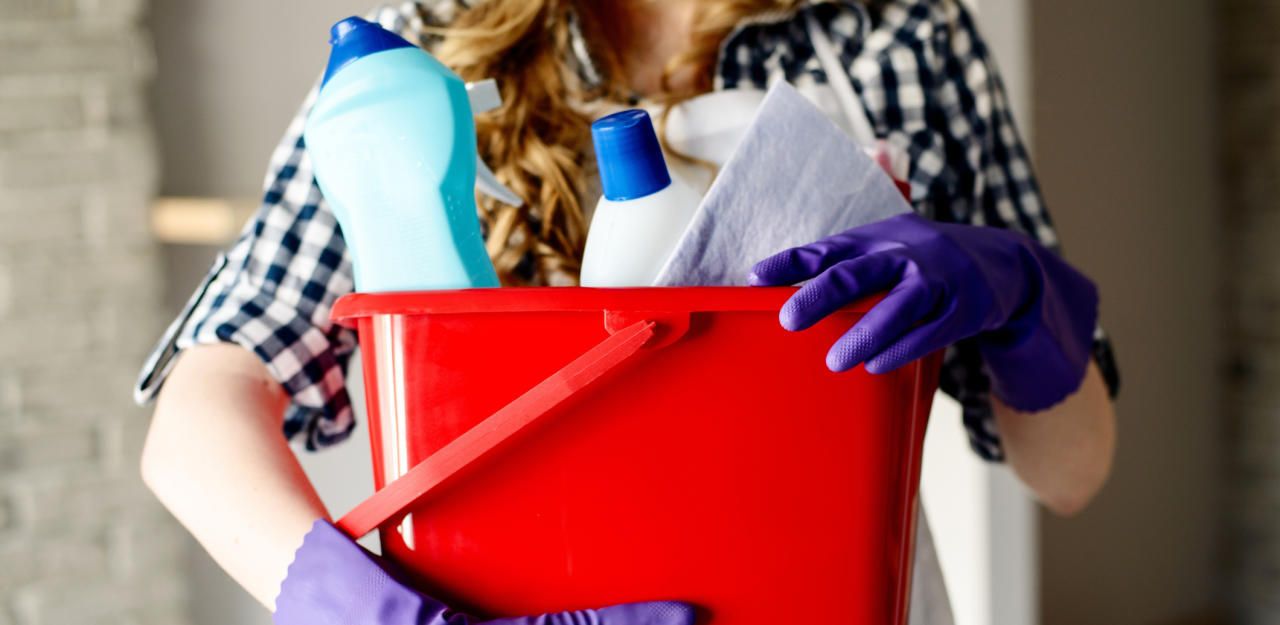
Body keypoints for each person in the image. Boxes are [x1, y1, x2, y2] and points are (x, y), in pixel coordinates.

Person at [135, 1, 1119, 623]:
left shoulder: (894, 32)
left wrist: (1016, 289)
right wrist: (364, 610)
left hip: (831, 593)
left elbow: (1072, 470)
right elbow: (196, 422)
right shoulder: (418, 50)